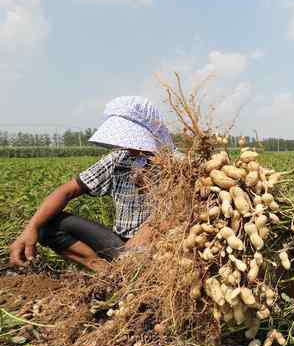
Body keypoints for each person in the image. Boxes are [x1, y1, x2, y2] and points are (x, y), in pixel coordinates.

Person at [9, 96, 173, 271]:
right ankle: (107, 273)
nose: (129, 146)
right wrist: (31, 227)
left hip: (162, 246)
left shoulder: (178, 167)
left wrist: (144, 238)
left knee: (143, 257)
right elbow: (66, 191)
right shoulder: (119, 159)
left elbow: (178, 213)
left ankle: (131, 270)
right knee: (46, 225)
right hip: (120, 246)